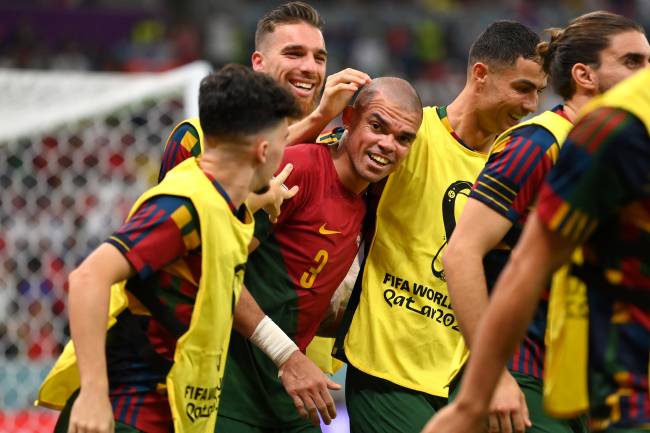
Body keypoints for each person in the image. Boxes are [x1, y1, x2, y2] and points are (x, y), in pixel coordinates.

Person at [37, 64, 301, 433]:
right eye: (284, 140)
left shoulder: (217, 200)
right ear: (263, 150)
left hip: (168, 413)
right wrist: (94, 394)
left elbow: (224, 214)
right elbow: (87, 277)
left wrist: (263, 197)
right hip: (121, 414)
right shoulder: (182, 208)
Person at [332, 20, 546, 433]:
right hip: (387, 370)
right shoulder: (411, 134)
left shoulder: (511, 165)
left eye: (538, 91)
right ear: (480, 74)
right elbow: (324, 171)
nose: (532, 105)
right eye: (523, 88)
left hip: (463, 377)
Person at [442, 11, 649, 433]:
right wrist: (493, 376)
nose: (647, 73)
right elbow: (461, 253)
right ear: (584, 75)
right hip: (524, 376)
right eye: (632, 62)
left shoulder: (620, 151)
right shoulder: (536, 142)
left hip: (591, 378)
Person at [215, 77, 423, 433]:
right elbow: (216, 270)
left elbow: (298, 295)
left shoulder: (368, 204)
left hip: (291, 399)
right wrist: (288, 355)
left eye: (403, 138)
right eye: (377, 126)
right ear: (349, 118)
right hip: (231, 391)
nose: (387, 144)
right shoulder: (300, 169)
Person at [158, 1, 371, 180]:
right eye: (294, 54)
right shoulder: (198, 137)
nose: (309, 68)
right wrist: (320, 116)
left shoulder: (336, 149)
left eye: (319, 58)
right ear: (259, 63)